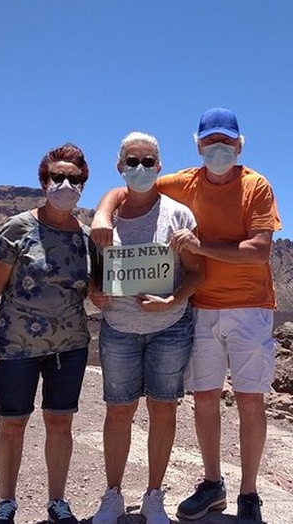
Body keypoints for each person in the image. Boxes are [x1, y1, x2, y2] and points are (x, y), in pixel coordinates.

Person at [91, 108, 281, 524]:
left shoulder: (255, 186)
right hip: (201, 311)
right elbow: (127, 190)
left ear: (239, 145)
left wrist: (199, 247)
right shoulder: (180, 183)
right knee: (204, 399)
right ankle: (213, 483)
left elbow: (260, 250)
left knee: (250, 401)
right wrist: (103, 212)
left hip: (249, 307)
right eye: (210, 143)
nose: (218, 150)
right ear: (197, 145)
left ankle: (249, 494)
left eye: (226, 143)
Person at [89, 132, 205, 524]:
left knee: (162, 411)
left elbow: (195, 272)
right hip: (119, 328)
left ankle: (154, 495)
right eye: (133, 162)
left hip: (169, 329)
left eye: (149, 161)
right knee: (118, 413)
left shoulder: (178, 215)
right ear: (120, 167)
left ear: (160, 166)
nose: (141, 168)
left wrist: (173, 301)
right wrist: (94, 292)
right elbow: (94, 273)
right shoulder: (105, 219)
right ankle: (113, 495)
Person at [0, 143, 94, 524]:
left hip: (70, 346)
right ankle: (6, 502)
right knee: (12, 423)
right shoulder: (16, 229)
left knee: (60, 423)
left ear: (83, 184)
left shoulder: (88, 236)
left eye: (73, 179)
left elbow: (95, 289)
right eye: (57, 177)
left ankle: (57, 502)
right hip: (15, 344)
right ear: (43, 181)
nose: (65, 184)